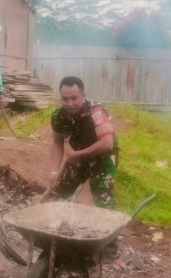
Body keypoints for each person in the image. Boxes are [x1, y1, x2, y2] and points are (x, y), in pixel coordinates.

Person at [47, 76, 121, 263]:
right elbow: (57, 142)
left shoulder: (97, 112)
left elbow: (107, 144)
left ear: (83, 96)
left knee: (104, 200)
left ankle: (111, 252)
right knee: (57, 193)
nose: (70, 103)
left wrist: (78, 155)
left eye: (74, 98)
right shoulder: (59, 116)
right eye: (65, 99)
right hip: (79, 156)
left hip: (103, 159)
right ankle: (52, 236)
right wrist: (54, 172)